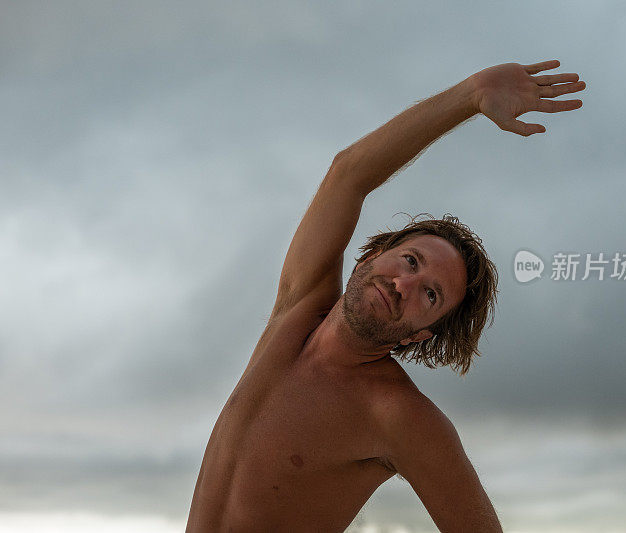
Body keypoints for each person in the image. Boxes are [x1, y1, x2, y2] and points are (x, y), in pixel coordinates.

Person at [185, 60, 586, 532]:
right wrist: (470, 94)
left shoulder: (399, 414)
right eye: (411, 261)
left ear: (419, 336)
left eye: (430, 295)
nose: (404, 284)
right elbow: (347, 175)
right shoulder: (294, 313)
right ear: (373, 254)